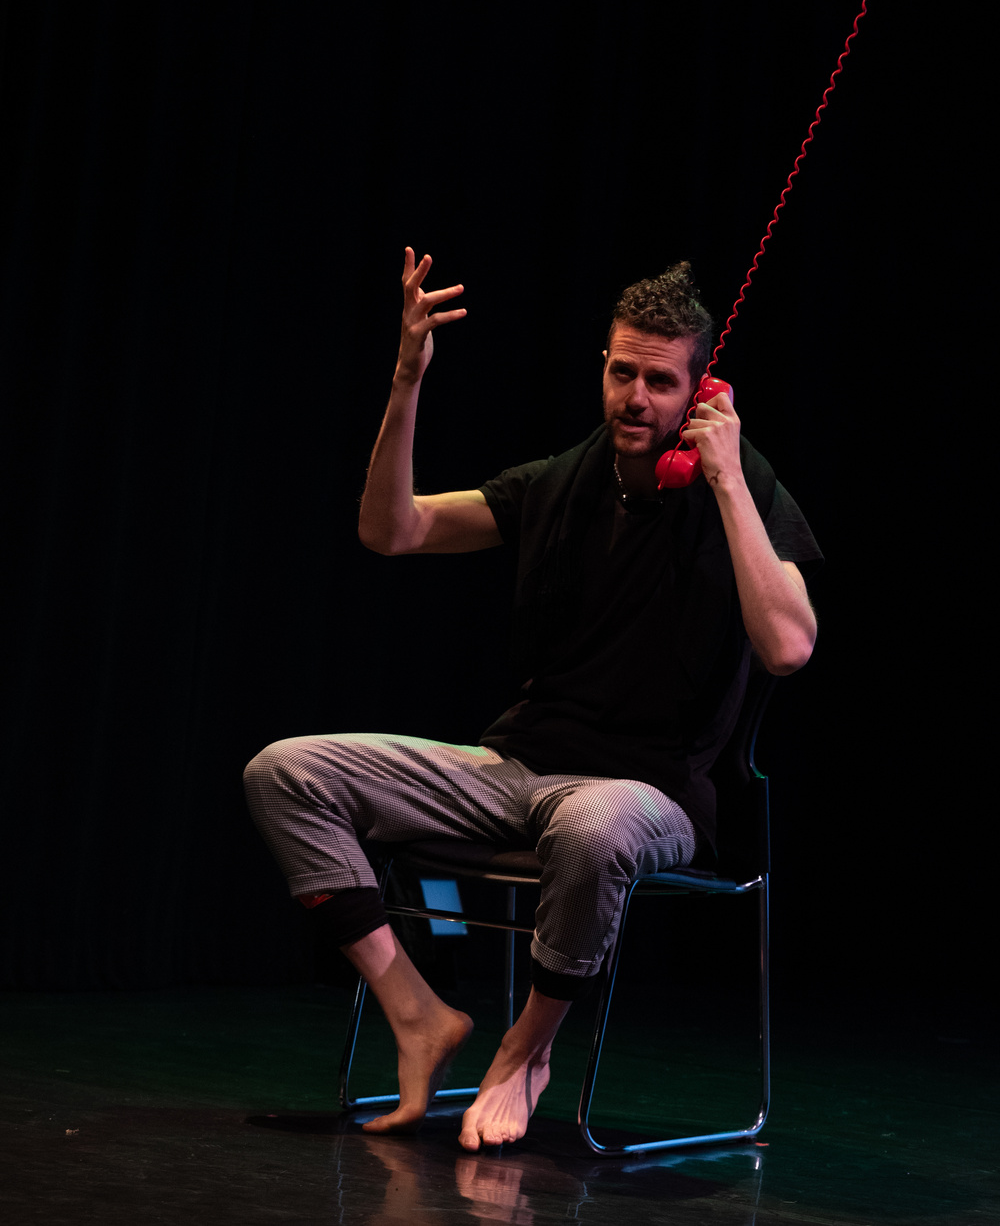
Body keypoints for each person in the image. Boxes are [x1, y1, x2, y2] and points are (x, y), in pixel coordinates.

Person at [244, 247, 821, 1150]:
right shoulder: (560, 482)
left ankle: (525, 1051)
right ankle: (418, 1015)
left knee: (591, 827)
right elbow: (391, 530)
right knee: (286, 772)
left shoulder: (743, 493)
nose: (636, 398)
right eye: (622, 373)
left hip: (649, 794)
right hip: (518, 769)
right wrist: (407, 380)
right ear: (603, 365)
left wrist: (729, 479)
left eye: (662, 382)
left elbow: (788, 646)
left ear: (701, 392)